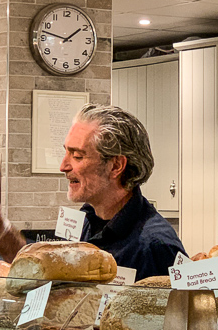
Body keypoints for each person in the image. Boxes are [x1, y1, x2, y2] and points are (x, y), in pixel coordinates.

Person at [60, 104, 185, 280]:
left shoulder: (155, 245)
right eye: (65, 152)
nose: (63, 166)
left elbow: (179, 307)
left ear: (116, 166)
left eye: (77, 156)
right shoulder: (85, 222)